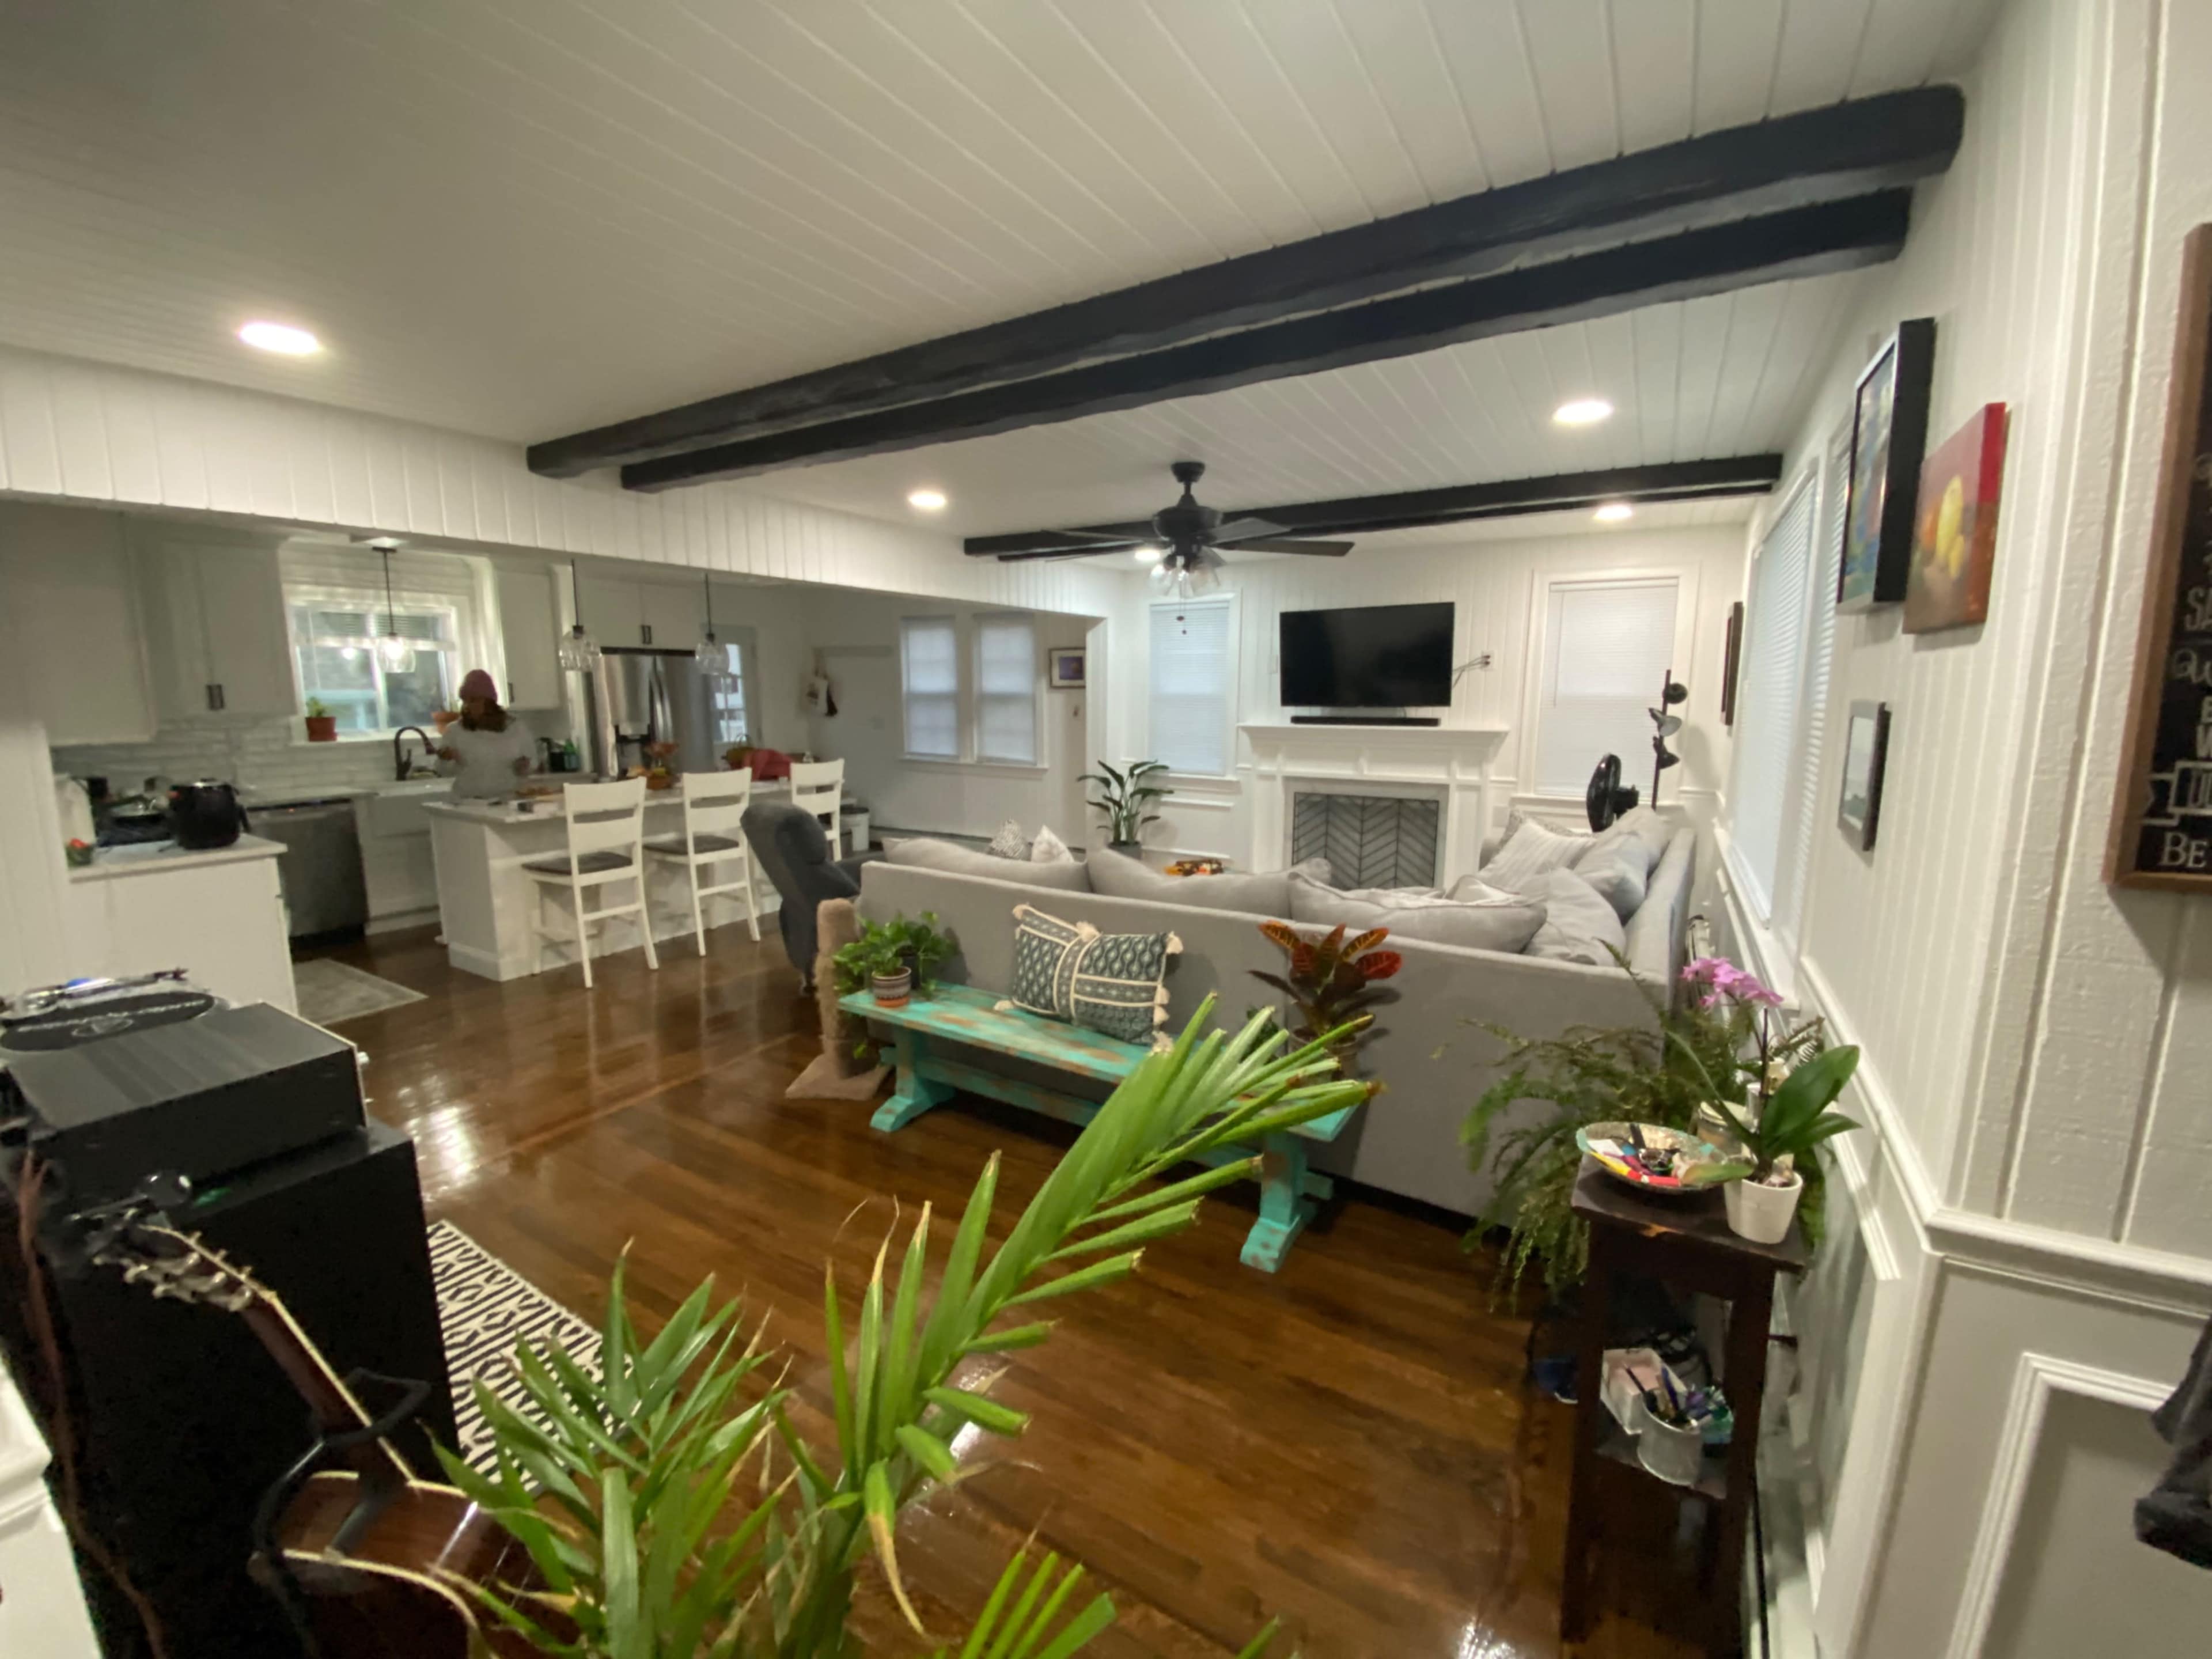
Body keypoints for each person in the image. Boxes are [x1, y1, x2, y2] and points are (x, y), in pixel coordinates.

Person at [437, 669, 536, 799]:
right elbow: (442, 771)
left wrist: (523, 767)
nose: (468, 706)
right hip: (468, 802)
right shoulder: (455, 731)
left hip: (507, 801)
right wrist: (447, 759)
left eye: (474, 700)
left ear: (489, 702)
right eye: (465, 701)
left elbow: (532, 762)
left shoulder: (516, 728)